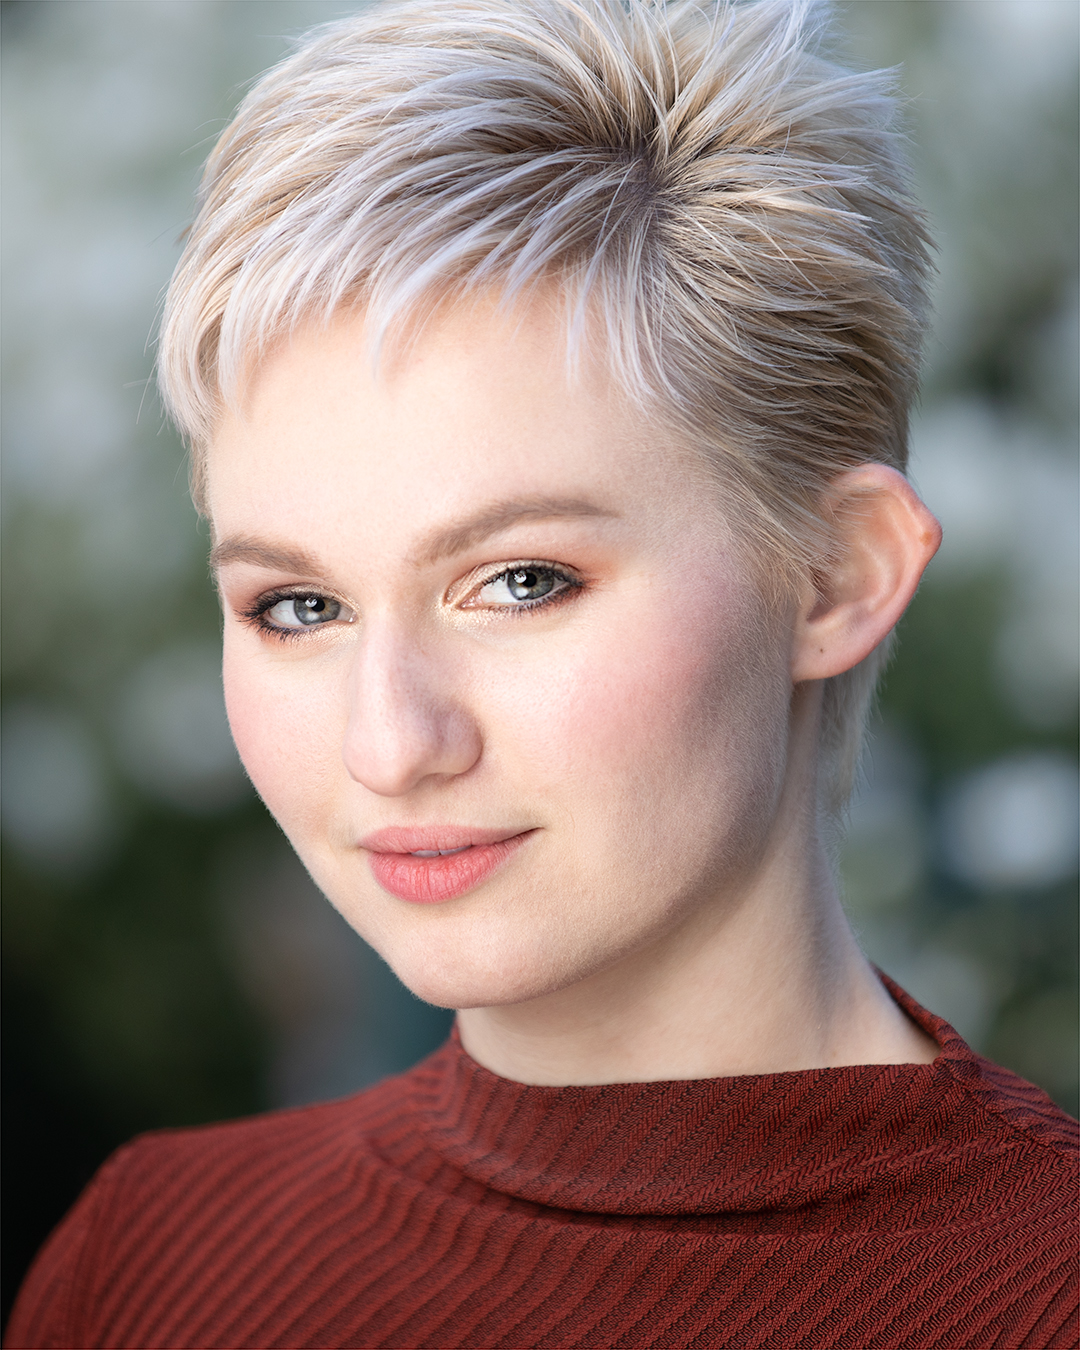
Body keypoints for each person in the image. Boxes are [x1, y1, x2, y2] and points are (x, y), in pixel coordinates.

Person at [6, 0, 1076, 1346]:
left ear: (840, 573)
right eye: (298, 605)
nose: (391, 743)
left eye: (520, 581)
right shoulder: (149, 1261)